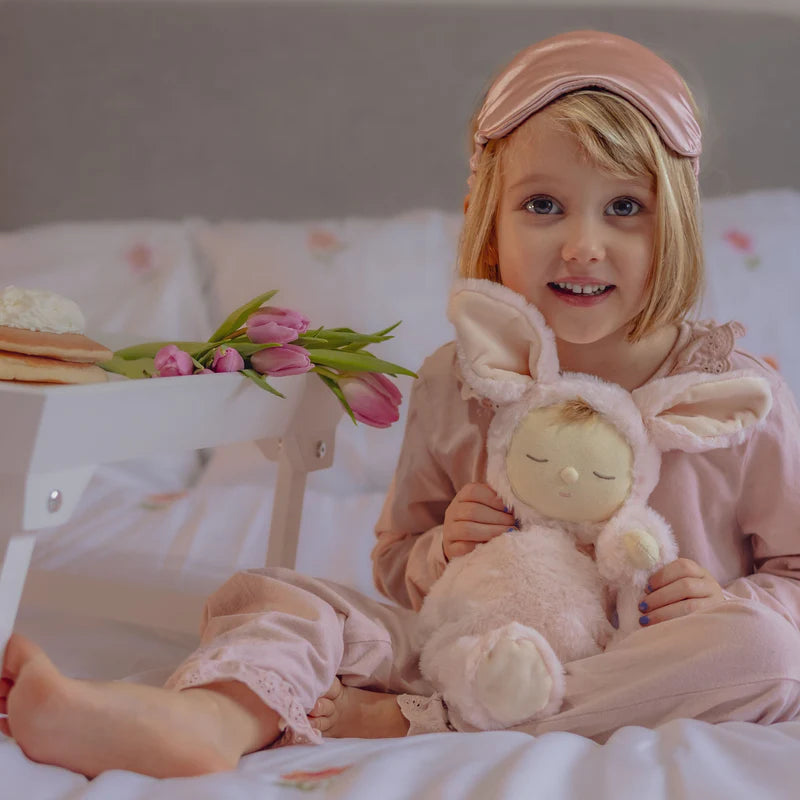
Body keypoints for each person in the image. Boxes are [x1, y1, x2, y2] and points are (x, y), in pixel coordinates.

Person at [2, 29, 799, 780]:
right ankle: (209, 718)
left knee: (767, 652)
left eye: (624, 207)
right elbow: (398, 559)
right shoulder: (461, 380)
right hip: (469, 642)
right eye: (544, 205)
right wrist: (445, 548)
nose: (583, 243)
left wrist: (723, 600)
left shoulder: (739, 397)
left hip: (645, 662)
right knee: (285, 597)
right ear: (489, 222)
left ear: (680, 223)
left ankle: (431, 722)